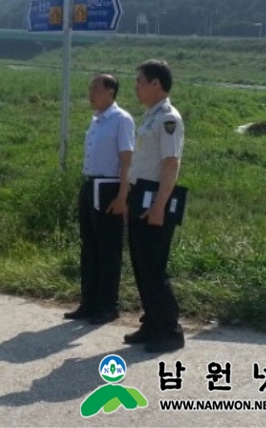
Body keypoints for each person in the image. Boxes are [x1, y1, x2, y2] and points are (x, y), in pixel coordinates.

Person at [125, 59, 185, 353]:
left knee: (154, 266)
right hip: (140, 195)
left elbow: (171, 164)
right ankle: (152, 323)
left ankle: (170, 330)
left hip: (156, 199)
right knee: (140, 264)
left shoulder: (168, 118)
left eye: (140, 81)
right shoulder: (150, 116)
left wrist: (160, 205)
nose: (136, 86)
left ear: (155, 84)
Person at [64, 74, 135, 325]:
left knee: (108, 249)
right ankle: (89, 302)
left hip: (110, 187)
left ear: (110, 92)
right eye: (90, 88)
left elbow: (127, 160)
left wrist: (123, 196)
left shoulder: (121, 119)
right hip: (91, 184)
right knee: (90, 247)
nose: (90, 93)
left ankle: (109, 305)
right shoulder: (96, 120)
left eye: (95, 88)